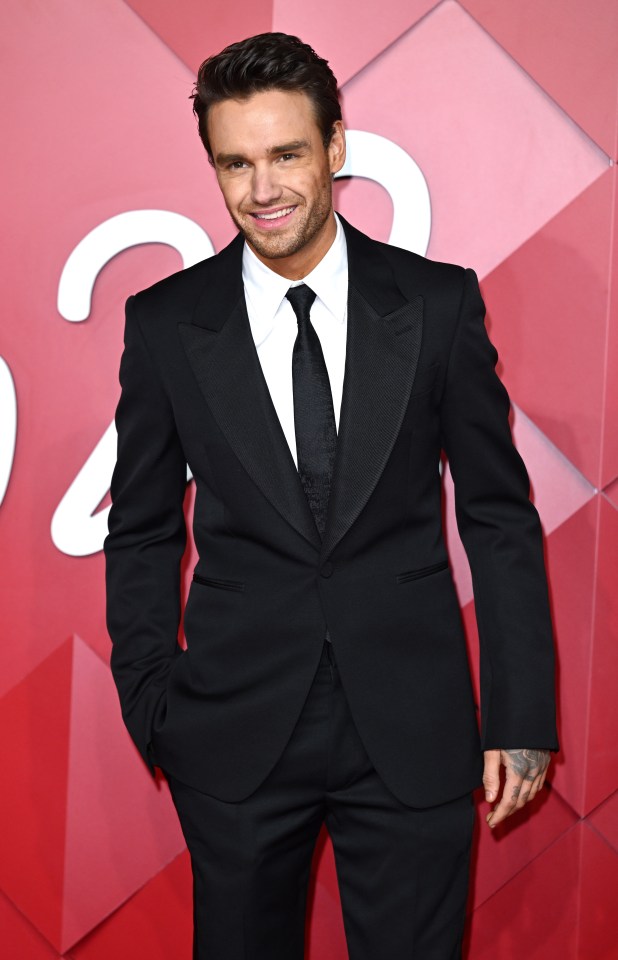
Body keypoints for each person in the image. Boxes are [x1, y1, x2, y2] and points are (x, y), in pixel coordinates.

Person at [104, 31, 559, 959]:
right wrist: (154, 700)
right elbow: (143, 529)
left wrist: (520, 717)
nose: (262, 189)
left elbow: (499, 516)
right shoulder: (165, 325)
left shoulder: (436, 305)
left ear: (336, 148)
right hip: (231, 736)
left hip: (413, 728)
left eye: (285, 155)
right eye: (235, 162)